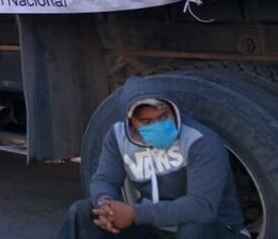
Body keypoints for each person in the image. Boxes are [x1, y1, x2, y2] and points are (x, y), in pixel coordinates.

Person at [57, 77, 248, 239]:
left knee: (194, 228)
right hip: (156, 228)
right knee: (83, 212)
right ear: (131, 122)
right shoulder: (117, 136)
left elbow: (202, 207)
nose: (158, 125)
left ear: (173, 110)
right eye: (146, 122)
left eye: (163, 116)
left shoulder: (200, 140)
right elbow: (104, 179)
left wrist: (134, 214)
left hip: (216, 229)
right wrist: (106, 205)